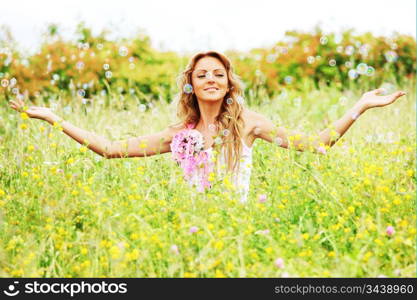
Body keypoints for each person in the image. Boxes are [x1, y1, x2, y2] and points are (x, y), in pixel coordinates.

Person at [9, 51, 406, 203]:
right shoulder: (179, 132)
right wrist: (52, 117)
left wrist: (362, 106)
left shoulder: (249, 124)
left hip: (238, 223)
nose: (211, 79)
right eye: (202, 75)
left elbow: (317, 144)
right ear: (191, 84)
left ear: (229, 82)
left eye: (219, 73)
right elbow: (110, 148)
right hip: (192, 223)